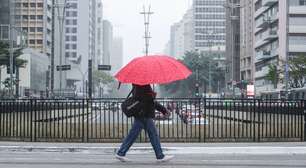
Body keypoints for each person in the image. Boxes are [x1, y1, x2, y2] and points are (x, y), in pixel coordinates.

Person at [115, 84, 174, 162]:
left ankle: (121, 153)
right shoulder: (143, 85)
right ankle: (160, 156)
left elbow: (147, 100)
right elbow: (150, 101)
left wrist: (162, 109)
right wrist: (163, 109)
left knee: (133, 135)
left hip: (141, 113)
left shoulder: (137, 85)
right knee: (153, 134)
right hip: (144, 114)